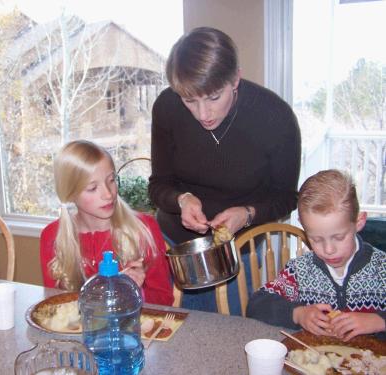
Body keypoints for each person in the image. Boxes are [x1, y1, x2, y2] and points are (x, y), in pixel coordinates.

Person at [148, 27, 301, 312]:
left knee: (233, 339)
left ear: (235, 79)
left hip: (241, 253)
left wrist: (247, 214)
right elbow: (158, 186)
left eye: (214, 97)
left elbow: (286, 198)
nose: (203, 114)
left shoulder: (274, 117)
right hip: (176, 249)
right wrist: (181, 200)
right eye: (190, 100)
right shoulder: (167, 107)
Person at [246, 170, 386, 341]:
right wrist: (298, 314)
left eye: (339, 237)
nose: (328, 249)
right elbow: (256, 305)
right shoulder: (299, 271)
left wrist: (379, 321)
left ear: (359, 222)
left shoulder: (381, 268)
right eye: (316, 239)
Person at [40, 140, 174, 306]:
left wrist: (134, 291)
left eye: (111, 180)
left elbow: (164, 300)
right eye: (92, 188)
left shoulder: (143, 229)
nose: (108, 194)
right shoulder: (53, 237)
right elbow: (56, 305)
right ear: (70, 194)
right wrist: (113, 291)